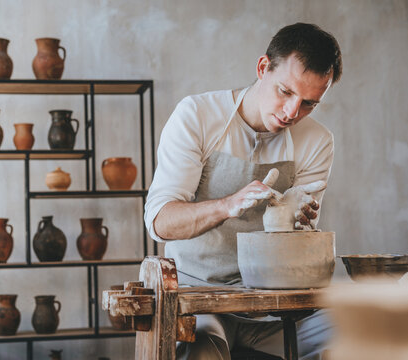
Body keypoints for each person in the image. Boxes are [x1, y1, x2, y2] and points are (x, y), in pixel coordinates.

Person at [144, 23, 342, 359]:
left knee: (360, 330)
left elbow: (301, 243)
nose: (293, 112)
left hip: (273, 305)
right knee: (204, 350)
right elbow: (160, 221)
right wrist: (226, 206)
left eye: (309, 103)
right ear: (263, 68)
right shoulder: (198, 115)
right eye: (285, 92)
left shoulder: (317, 141)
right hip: (203, 300)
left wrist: (301, 225)